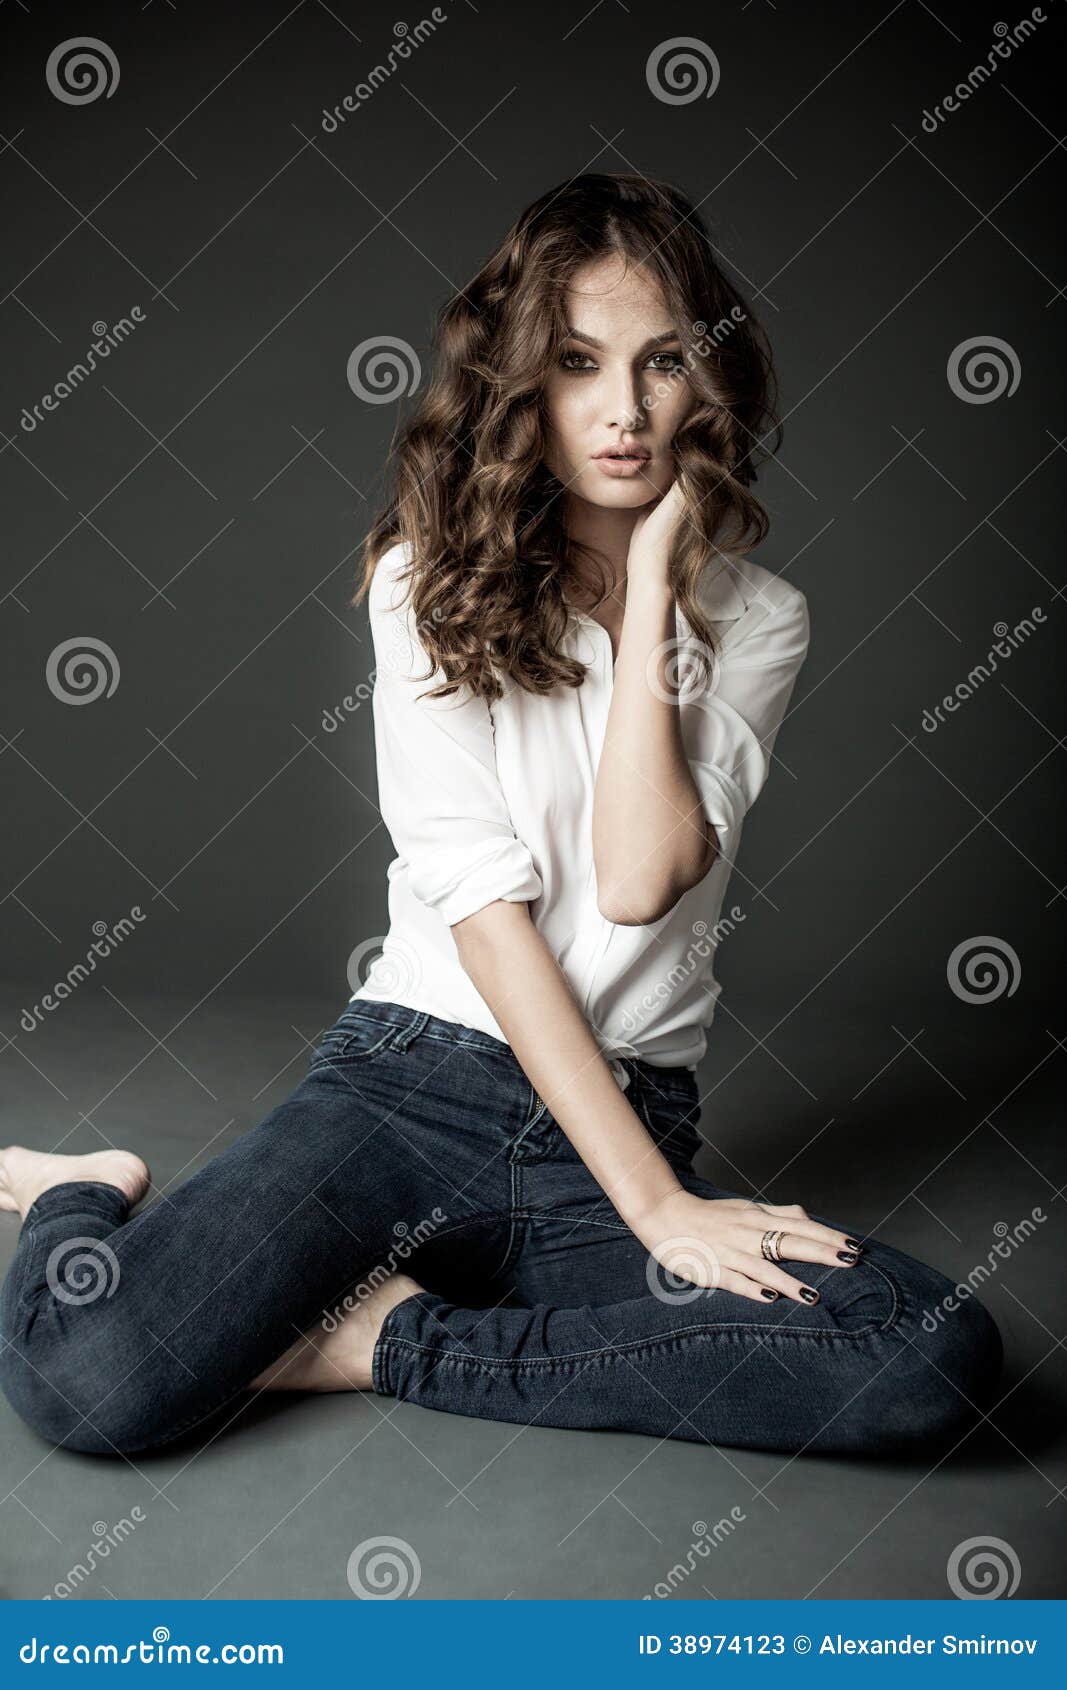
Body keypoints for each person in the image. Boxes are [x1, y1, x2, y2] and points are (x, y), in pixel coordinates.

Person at [0, 173, 1001, 1458]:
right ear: (523, 379)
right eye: (580, 363)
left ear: (710, 384)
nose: (624, 410)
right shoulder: (423, 580)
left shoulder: (756, 618)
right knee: (88, 1380)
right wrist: (661, 1211)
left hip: (625, 1123)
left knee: (917, 1355)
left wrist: (651, 586)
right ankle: (84, 1191)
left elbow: (641, 877)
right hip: (408, 1089)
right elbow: (482, 911)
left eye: (661, 366)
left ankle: (385, 1340)